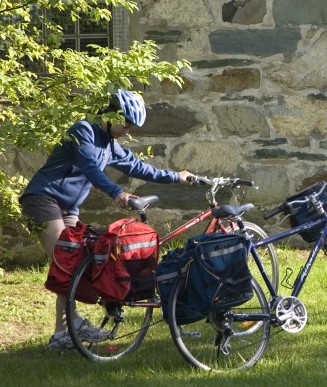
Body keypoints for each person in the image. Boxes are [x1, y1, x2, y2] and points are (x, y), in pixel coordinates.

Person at [18, 89, 195, 351]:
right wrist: (116, 192)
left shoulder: (110, 145)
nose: (127, 131)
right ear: (111, 115)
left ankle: (62, 333)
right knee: (66, 261)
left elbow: (139, 167)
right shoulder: (83, 131)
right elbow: (89, 166)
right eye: (126, 124)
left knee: (73, 265)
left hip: (68, 208)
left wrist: (175, 177)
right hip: (43, 199)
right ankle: (70, 327)